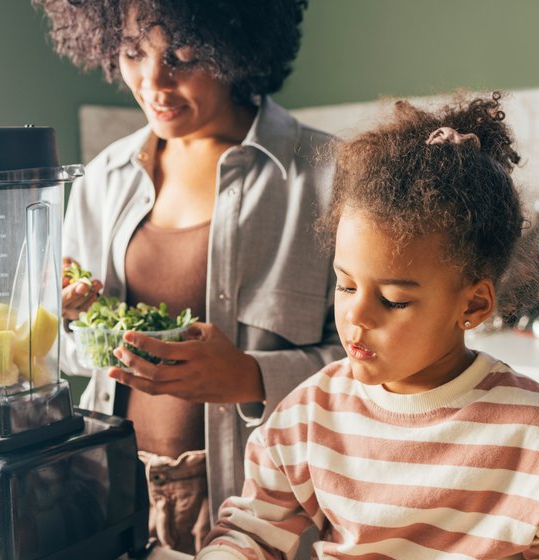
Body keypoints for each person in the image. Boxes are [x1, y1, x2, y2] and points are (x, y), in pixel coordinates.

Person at [197, 93, 539, 559]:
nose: (356, 315)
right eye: (345, 286)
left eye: (393, 299)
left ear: (474, 305)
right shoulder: (310, 415)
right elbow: (251, 533)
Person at [32, 0, 345, 554]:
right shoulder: (104, 178)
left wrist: (251, 377)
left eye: (181, 55)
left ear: (236, 48)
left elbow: (381, 372)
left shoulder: (326, 176)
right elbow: (72, 356)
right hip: (113, 492)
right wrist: (68, 314)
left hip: (257, 508)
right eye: (133, 53)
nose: (153, 81)